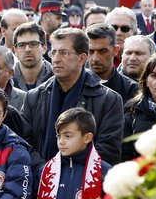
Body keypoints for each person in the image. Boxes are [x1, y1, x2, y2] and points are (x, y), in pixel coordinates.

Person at [22, 28, 124, 169]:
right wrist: (45, 172)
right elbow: (25, 144)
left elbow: (108, 151)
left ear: (82, 58)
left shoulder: (108, 100)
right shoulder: (34, 97)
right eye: (53, 52)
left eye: (64, 53)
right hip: (41, 181)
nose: (56, 59)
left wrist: (68, 175)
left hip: (83, 183)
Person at [86, 23, 139, 103]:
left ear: (115, 50)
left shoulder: (131, 89)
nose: (95, 58)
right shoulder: (74, 85)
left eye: (103, 51)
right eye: (91, 51)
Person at [11, 22, 53, 91]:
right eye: (21, 45)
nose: (27, 49)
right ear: (15, 50)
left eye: (33, 44)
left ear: (44, 48)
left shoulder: (57, 79)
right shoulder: (7, 81)